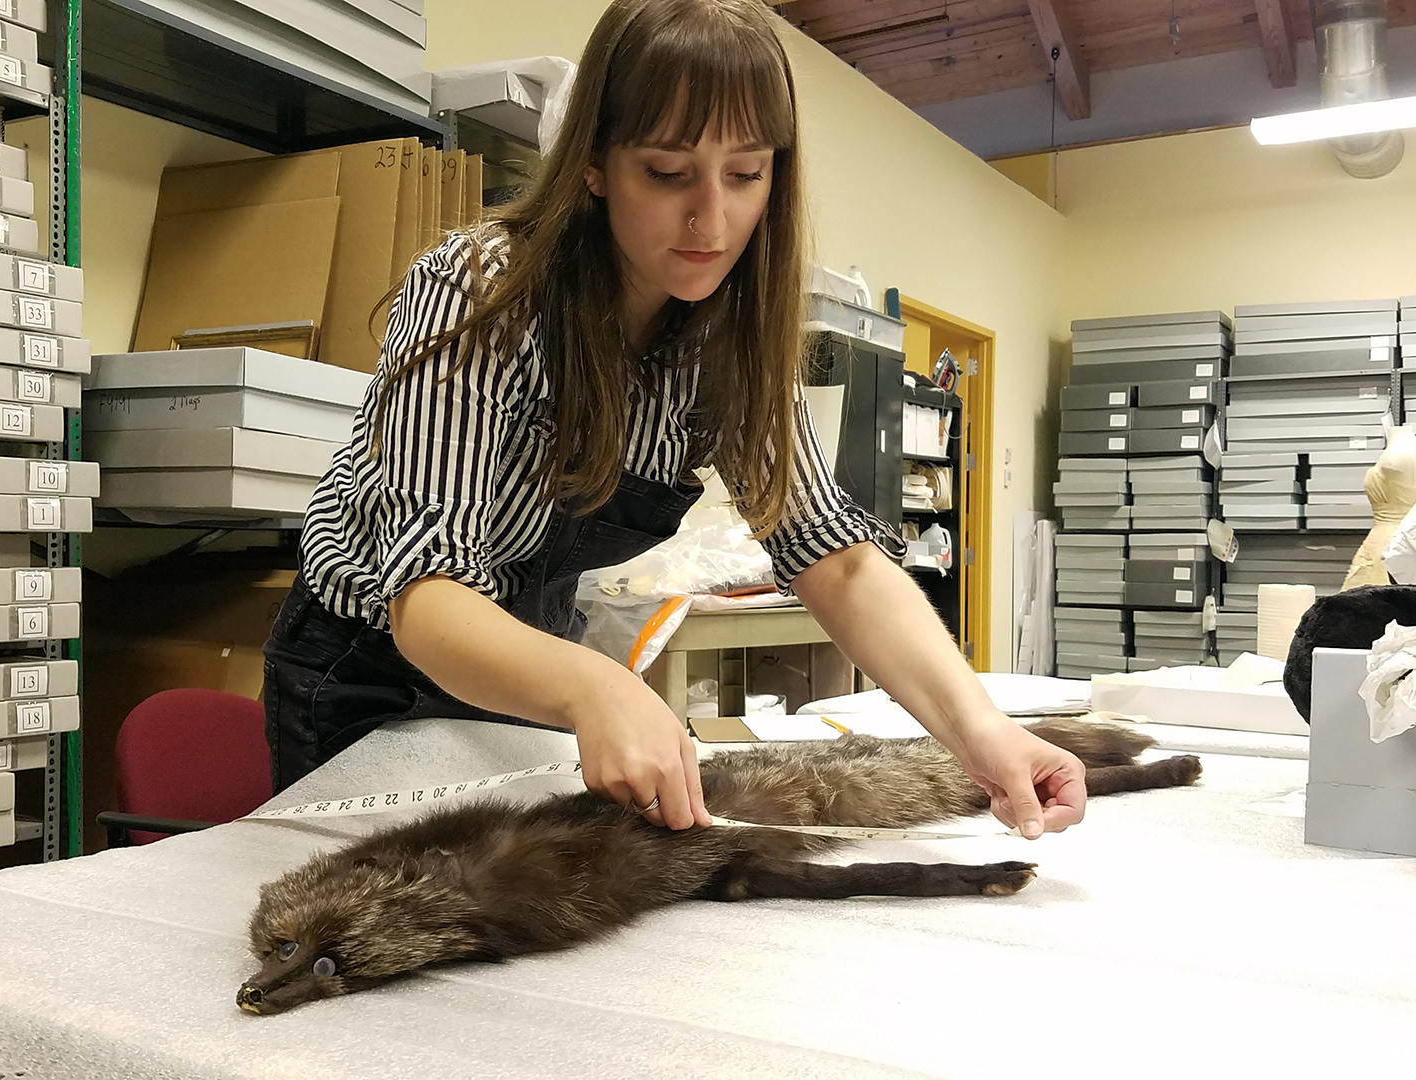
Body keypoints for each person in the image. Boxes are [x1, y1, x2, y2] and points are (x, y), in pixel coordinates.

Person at [261, 0, 1087, 839]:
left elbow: (833, 560)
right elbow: (429, 602)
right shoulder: (480, 292)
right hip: (367, 667)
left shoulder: (733, 333)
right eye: (666, 173)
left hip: (524, 662)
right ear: (592, 163)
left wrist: (982, 733)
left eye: (746, 174)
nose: (713, 221)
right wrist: (598, 685)